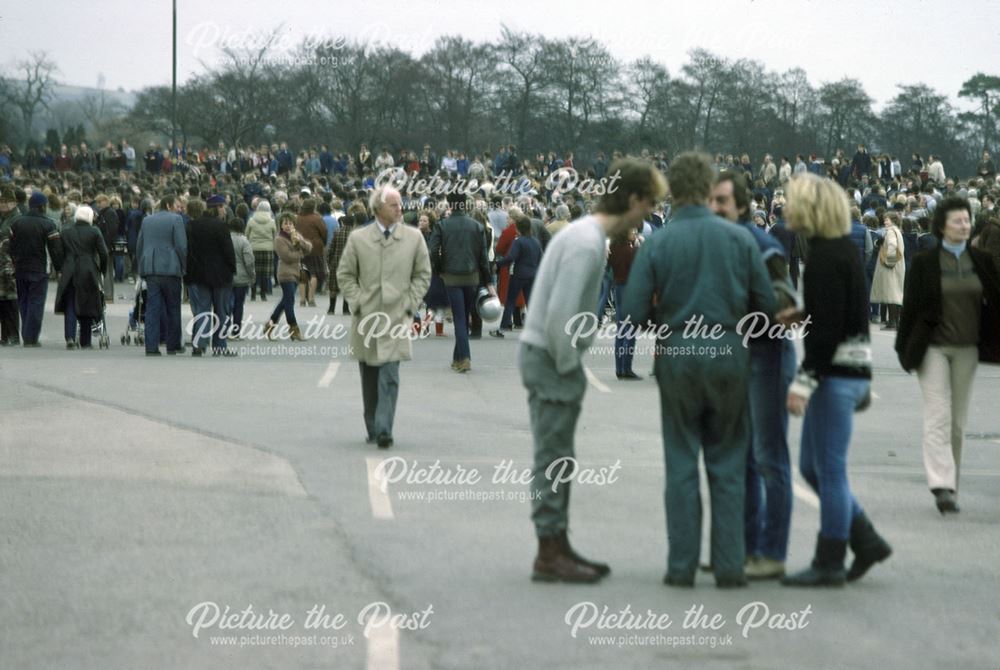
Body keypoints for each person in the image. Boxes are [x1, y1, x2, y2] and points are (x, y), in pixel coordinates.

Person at [622, 153, 776, 589]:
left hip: (678, 353)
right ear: (709, 188)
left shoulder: (659, 242)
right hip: (729, 351)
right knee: (728, 462)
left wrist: (664, 315)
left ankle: (681, 565)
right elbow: (766, 306)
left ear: (673, 190)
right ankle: (729, 566)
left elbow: (630, 313)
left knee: (681, 459)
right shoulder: (740, 240)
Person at [524, 157, 665, 583]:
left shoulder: (584, 234)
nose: (649, 216)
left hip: (545, 353)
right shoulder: (587, 243)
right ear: (635, 199)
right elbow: (561, 318)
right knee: (553, 456)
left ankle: (557, 543)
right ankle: (549, 551)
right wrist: (571, 369)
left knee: (559, 454)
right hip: (551, 357)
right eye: (649, 205)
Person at [781, 173, 891, 587]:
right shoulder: (838, 251)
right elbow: (838, 314)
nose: (785, 209)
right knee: (813, 466)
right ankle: (865, 539)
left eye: (792, 202)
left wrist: (802, 382)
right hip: (849, 370)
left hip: (836, 375)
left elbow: (826, 334)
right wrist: (804, 316)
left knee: (828, 470)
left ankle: (829, 560)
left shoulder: (825, 257)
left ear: (810, 209)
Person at [709, 171, 798, 580]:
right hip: (734, 358)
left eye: (722, 201)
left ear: (742, 206)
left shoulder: (762, 244)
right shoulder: (716, 243)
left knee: (768, 456)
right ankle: (742, 549)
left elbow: (786, 300)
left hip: (768, 356)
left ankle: (772, 552)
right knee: (741, 459)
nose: (715, 208)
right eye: (711, 201)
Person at [896, 196, 1000, 514]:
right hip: (933, 349)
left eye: (967, 220)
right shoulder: (925, 263)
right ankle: (941, 484)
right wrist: (904, 348)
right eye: (957, 220)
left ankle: (951, 482)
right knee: (938, 414)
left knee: (957, 423)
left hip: (968, 348)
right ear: (942, 226)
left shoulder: (981, 260)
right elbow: (910, 310)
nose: (964, 225)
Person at [337, 186, 431, 448]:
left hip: (397, 317)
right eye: (394, 205)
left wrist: (410, 304)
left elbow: (423, 274)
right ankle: (372, 424)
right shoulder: (358, 238)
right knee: (369, 376)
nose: (400, 208)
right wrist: (357, 303)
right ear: (377, 208)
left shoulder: (414, 238)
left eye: (400, 204)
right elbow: (344, 274)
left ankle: (384, 428)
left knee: (390, 374)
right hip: (366, 318)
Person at [428, 191, 496, 373]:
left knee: (459, 317)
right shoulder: (476, 226)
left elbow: (433, 251)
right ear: (465, 205)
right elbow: (483, 257)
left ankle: (464, 357)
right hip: (472, 276)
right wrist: (488, 282)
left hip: (451, 276)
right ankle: (457, 357)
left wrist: (439, 268)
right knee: (464, 316)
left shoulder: (442, 225)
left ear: (450, 205)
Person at [136, 195, 187, 355]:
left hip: (151, 268)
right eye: (177, 205)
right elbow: (181, 246)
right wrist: (183, 266)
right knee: (173, 307)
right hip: (171, 268)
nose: (179, 208)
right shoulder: (176, 219)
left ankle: (151, 346)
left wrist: (141, 267)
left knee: (152, 308)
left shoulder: (147, 220)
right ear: (169, 204)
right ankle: (172, 345)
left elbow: (140, 245)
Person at [10, 192, 63, 346]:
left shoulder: (17, 223)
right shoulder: (48, 224)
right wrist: (59, 268)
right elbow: (55, 250)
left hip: (20, 267)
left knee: (24, 301)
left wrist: (14, 261)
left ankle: (26, 332)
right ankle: (30, 337)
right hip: (39, 268)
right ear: (42, 206)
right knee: (36, 302)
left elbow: (11, 246)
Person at [186, 195, 236, 356]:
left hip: (199, 274)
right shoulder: (221, 226)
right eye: (221, 206)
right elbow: (229, 251)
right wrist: (232, 270)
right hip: (220, 276)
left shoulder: (193, 225)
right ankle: (220, 346)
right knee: (221, 311)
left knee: (202, 310)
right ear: (215, 208)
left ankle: (199, 344)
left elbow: (189, 251)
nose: (224, 210)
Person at [54, 206, 108, 349]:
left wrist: (60, 268)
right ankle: (86, 341)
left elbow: (59, 252)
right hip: (88, 269)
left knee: (70, 304)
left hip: (70, 268)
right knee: (87, 303)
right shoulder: (95, 231)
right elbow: (104, 253)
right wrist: (102, 269)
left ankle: (70, 337)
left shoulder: (65, 231)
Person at [491, 214, 541, 338]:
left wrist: (497, 264)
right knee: (530, 301)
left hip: (518, 274)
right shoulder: (535, 241)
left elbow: (510, 257)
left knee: (510, 302)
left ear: (519, 229)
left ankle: (502, 329)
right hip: (533, 274)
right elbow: (541, 257)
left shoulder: (518, 241)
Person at [266, 212, 312, 342]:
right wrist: (300, 253)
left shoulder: (296, 235)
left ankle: (269, 325)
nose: (288, 226)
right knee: (289, 301)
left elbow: (309, 248)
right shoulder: (279, 239)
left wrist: (300, 242)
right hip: (285, 273)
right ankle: (294, 329)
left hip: (296, 273)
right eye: (285, 223)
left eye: (290, 223)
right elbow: (287, 256)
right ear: (280, 225)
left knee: (285, 302)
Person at [327, 203, 365, 316]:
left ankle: (331, 308)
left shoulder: (337, 232)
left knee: (333, 287)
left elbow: (331, 249)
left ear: (342, 222)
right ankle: (345, 309)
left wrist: (329, 262)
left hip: (336, 262)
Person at [870, 211, 906, 329]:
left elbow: (892, 246)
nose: (885, 221)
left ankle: (892, 322)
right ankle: (896, 320)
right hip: (898, 266)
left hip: (891, 267)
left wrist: (888, 261)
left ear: (893, 220)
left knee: (891, 295)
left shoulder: (891, 231)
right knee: (896, 294)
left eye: (887, 219)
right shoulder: (897, 231)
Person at [296, 198, 327, 307]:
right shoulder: (317, 218)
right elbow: (324, 232)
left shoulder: (298, 218)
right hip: (315, 247)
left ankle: (302, 299)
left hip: (301, 247)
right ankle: (311, 298)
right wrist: (323, 242)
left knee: (302, 273)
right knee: (314, 273)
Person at [228, 217, 255, 339]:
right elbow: (249, 261)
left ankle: (224, 329)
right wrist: (252, 275)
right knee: (239, 305)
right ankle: (236, 331)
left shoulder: (226, 239)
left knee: (226, 304)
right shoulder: (244, 241)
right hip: (242, 277)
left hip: (227, 276)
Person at [0, 187, 20, 344]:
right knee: (3, 300)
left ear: (14, 202)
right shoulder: (4, 217)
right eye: (1, 202)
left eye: (6, 202)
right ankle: (5, 335)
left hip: (9, 262)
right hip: (3, 261)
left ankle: (13, 334)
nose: (3, 205)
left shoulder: (16, 218)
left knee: (11, 300)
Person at [246, 200, 277, 301]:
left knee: (254, 271)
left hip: (254, 248)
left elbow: (246, 234)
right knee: (265, 272)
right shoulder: (272, 222)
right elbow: (275, 236)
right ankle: (263, 294)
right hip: (268, 249)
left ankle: (253, 294)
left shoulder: (251, 220)